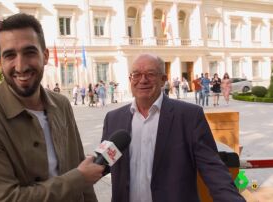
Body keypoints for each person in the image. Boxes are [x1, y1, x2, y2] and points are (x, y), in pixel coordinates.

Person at [0, 13, 104, 202]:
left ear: (45, 56)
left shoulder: (62, 104)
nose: (21, 66)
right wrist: (78, 179)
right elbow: (5, 199)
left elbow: (80, 168)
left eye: (29, 52)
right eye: (10, 55)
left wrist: (82, 180)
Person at [101, 53, 245, 202]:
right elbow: (103, 162)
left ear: (163, 79)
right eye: (136, 74)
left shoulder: (189, 116)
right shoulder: (113, 119)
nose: (142, 80)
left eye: (150, 74)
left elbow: (212, 168)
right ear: (130, 79)